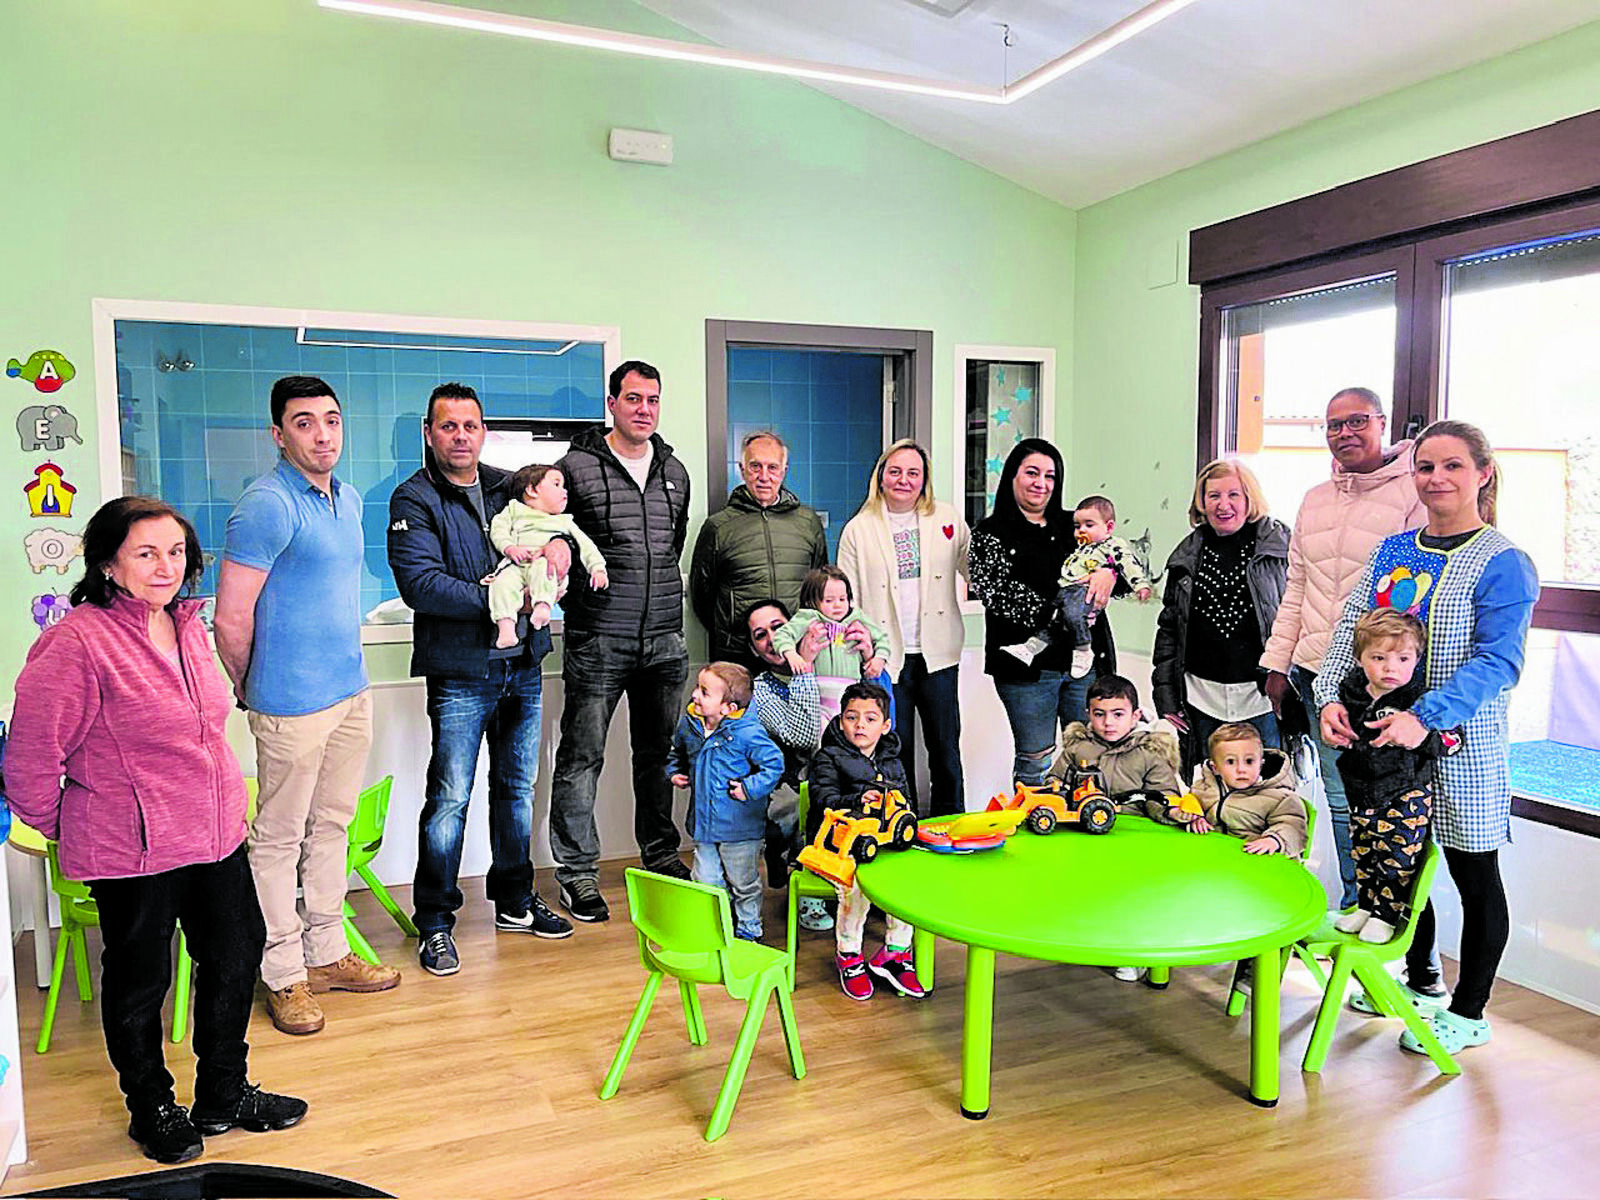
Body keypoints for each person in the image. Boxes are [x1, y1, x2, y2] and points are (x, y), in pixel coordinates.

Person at [9, 497, 305, 1164]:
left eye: (175, 552)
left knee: (234, 960)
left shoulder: (189, 626)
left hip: (216, 835)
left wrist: (229, 810)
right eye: (145, 553)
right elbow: (28, 761)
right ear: (110, 564)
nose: (165, 566)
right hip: (133, 852)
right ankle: (153, 1108)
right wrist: (78, 824)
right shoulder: (76, 643)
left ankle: (224, 1094)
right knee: (142, 982)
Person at [1315, 420, 1538, 1056]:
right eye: (1425, 467)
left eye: (1452, 467)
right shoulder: (1394, 550)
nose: (1436, 479)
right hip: (1385, 747)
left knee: (1473, 874)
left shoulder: (1503, 562)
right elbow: (1351, 632)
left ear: (1482, 474)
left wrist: (1428, 716)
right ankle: (1422, 981)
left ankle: (1470, 1012)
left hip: (1460, 748)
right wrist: (1332, 695)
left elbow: (1500, 662)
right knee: (1400, 869)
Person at [215, 375, 399, 1036]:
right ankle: (282, 973)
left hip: (348, 690)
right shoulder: (264, 506)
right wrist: (250, 686)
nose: (322, 434)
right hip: (289, 703)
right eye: (304, 422)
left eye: (331, 420)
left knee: (333, 826)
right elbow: (230, 619)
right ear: (278, 433)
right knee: (277, 837)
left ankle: (327, 954)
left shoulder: (346, 499)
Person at [389, 382, 574, 977]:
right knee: (448, 800)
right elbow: (421, 584)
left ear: (483, 431)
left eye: (470, 426)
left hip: (524, 662)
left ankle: (515, 902)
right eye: (448, 426)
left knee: (517, 791)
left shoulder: (507, 487)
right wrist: (499, 594)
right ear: (429, 433)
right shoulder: (413, 498)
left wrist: (559, 553)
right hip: (460, 671)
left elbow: (555, 531)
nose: (460, 436)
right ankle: (437, 922)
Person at [1261, 386, 1427, 912]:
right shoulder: (1314, 498)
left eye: (1356, 422)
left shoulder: (1411, 494)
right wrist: (1278, 662)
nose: (1344, 434)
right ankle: (1356, 910)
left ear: (1382, 423)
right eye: (1334, 425)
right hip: (1315, 675)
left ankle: (1398, 935)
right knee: (1339, 801)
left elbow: (1414, 600)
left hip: (1381, 684)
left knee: (1389, 805)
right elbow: (1297, 588)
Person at [549, 360, 694, 923]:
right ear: (612, 403)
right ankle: (578, 875)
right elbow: (553, 540)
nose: (644, 409)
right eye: (633, 398)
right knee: (582, 758)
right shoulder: (575, 468)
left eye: (653, 400)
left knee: (658, 757)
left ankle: (660, 855)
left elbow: (672, 543)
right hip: (598, 640)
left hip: (664, 641)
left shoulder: (674, 471)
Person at [970, 439, 1117, 786]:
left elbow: (1116, 562)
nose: (1041, 483)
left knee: (1088, 758)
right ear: (1012, 477)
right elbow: (998, 595)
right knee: (1035, 761)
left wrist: (1108, 573)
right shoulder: (988, 533)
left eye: (1050, 476)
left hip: (1082, 664)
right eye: (1032, 473)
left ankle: (1084, 832)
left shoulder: (1076, 526)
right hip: (1026, 672)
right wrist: (1062, 615)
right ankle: (1035, 824)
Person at [837, 439, 970, 818]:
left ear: (924, 479)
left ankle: (951, 822)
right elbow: (849, 601)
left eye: (913, 473)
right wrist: (864, 652)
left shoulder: (946, 517)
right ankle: (902, 825)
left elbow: (974, 571)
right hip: (886, 658)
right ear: (880, 477)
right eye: (895, 471)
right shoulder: (858, 530)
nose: (904, 480)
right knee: (897, 748)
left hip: (939, 654)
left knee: (945, 747)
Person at [1331, 610, 1462, 945]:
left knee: (1396, 858)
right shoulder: (1351, 691)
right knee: (1362, 852)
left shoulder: (1420, 699)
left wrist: (1422, 737)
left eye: (1403, 658)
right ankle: (1364, 906)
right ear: (1360, 659)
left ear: (1416, 660)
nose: (1391, 668)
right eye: (1378, 657)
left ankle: (1385, 916)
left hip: (1406, 793)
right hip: (1361, 790)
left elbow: (1452, 739)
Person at [1153, 459, 1290, 778]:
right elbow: (1169, 631)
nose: (1223, 505)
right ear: (1201, 502)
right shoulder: (1185, 556)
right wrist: (1166, 694)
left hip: (1262, 700)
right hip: (1202, 698)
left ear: (1249, 498)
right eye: (1213, 496)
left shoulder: (1280, 547)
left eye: (1233, 495)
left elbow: (1296, 618)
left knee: (1266, 794)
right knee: (1208, 795)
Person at [806, 682, 926, 1001]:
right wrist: (860, 798)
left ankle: (895, 953)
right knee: (856, 887)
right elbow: (823, 798)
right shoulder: (828, 757)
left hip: (882, 842)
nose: (860, 725)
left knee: (908, 880)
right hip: (837, 843)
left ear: (885, 726)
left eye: (870, 719)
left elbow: (907, 800)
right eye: (852, 717)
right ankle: (849, 955)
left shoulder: (893, 760)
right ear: (840, 719)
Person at [667, 662, 785, 942]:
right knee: (705, 880)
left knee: (743, 882)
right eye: (698, 687)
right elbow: (677, 751)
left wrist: (749, 788)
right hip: (704, 825)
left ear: (728, 708)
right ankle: (716, 925)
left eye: (705, 692)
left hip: (740, 829)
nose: (695, 695)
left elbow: (774, 764)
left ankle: (748, 928)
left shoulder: (747, 732)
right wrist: (675, 772)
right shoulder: (691, 724)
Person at [689, 430, 828, 667]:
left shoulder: (808, 523)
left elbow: (819, 588)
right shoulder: (718, 527)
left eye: (772, 467)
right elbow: (702, 597)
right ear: (742, 470)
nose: (764, 476)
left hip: (796, 652)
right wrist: (734, 631)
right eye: (755, 466)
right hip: (736, 656)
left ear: (784, 471)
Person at [744, 599, 834, 932]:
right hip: (795, 780)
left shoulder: (833, 660)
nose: (771, 639)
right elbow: (804, 737)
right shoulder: (760, 691)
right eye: (760, 635)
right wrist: (805, 667)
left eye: (778, 627)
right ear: (754, 649)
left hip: (841, 769)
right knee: (801, 805)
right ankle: (800, 878)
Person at [1002, 494, 1153, 672]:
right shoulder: (1082, 549)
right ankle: (1030, 648)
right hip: (1066, 591)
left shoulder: (1112, 546)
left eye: (1089, 525)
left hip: (1083, 592)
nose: (1081, 530)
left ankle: (1083, 649)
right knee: (1052, 620)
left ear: (1109, 527)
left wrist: (1139, 584)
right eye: (1077, 526)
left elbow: (1128, 564)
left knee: (1073, 616)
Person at [489, 463, 608, 646]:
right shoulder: (514, 510)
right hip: (516, 564)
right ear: (532, 490)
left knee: (545, 569)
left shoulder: (564, 521)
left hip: (544, 565)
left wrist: (598, 569)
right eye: (556, 484)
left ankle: (543, 607)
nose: (565, 491)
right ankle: (506, 627)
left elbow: (586, 545)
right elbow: (498, 529)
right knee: (501, 583)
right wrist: (509, 548)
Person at [1165, 723, 1308, 858]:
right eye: (1231, 762)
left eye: (1249, 761)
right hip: (1216, 860)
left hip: (1259, 864)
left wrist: (1275, 840)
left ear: (1261, 764)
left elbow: (1294, 828)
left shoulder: (1280, 797)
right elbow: (1188, 805)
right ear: (1215, 768)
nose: (1241, 769)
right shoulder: (1203, 788)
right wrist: (1195, 819)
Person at [772, 565, 889, 720]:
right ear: (812, 601)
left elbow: (882, 639)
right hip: (818, 691)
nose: (837, 605)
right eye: (829, 600)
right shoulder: (807, 618)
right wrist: (791, 654)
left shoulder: (857, 618)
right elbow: (782, 635)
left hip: (852, 688)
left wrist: (878, 659)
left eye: (843, 599)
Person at [1050, 675, 1182, 809]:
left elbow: (1164, 795)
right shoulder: (1078, 747)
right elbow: (1055, 780)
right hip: (1084, 822)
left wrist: (1170, 812)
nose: (1108, 722)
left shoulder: (1151, 752)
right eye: (1099, 714)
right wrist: (1058, 795)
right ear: (1088, 714)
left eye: (1118, 714)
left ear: (1135, 716)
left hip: (1132, 824)